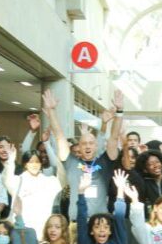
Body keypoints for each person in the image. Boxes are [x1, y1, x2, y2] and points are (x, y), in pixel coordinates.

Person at [42, 89, 123, 222]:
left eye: (91, 143)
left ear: (96, 146)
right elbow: (60, 137)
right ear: (79, 147)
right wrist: (51, 112)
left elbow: (113, 138)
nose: (87, 146)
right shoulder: (71, 163)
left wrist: (119, 112)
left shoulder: (105, 163)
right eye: (84, 143)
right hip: (76, 221)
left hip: (100, 223)